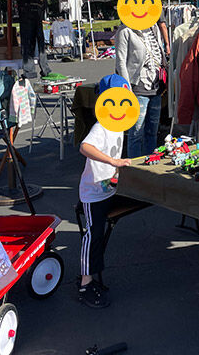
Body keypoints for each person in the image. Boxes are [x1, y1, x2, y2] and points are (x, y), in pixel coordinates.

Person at [77, 74, 133, 308]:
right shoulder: (101, 127)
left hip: (109, 188)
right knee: (93, 235)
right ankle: (85, 283)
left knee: (101, 233)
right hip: (93, 194)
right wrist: (112, 161)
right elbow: (84, 147)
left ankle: (92, 276)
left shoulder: (118, 125)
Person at [114, 21, 165, 159]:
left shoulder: (154, 27)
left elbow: (160, 53)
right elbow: (120, 62)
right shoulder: (125, 31)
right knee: (136, 132)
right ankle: (134, 166)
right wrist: (127, 87)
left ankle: (151, 162)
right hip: (137, 86)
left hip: (156, 86)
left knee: (153, 131)